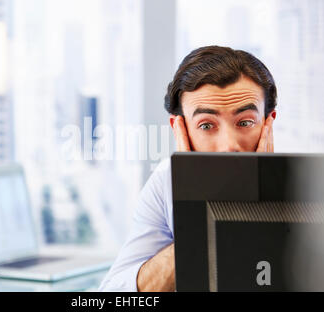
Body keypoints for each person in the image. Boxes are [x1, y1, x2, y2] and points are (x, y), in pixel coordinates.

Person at [98, 46, 277, 292]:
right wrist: (201, 220)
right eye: (206, 125)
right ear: (180, 130)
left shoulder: (309, 183)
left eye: (245, 122)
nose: (228, 146)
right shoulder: (166, 181)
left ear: (268, 123)